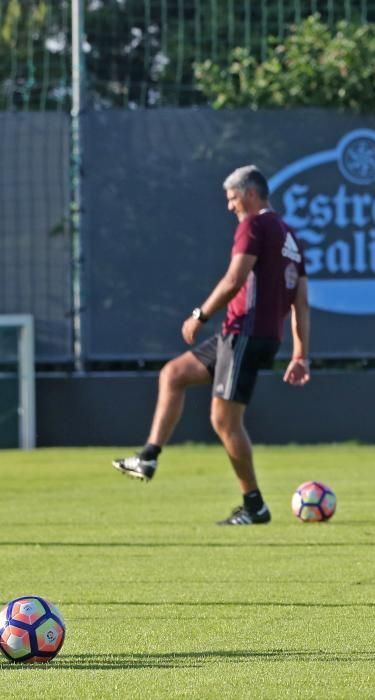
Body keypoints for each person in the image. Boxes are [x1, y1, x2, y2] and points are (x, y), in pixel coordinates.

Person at [112, 165, 311, 526]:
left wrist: (199, 315)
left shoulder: (253, 225)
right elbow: (301, 303)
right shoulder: (290, 236)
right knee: (173, 374)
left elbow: (235, 278)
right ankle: (149, 456)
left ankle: (254, 506)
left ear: (251, 194)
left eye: (233, 198)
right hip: (246, 334)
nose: (230, 206)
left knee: (224, 420)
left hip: (246, 333)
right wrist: (300, 353)